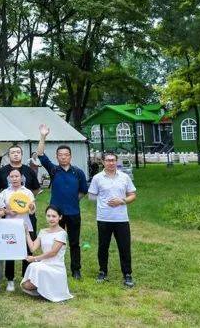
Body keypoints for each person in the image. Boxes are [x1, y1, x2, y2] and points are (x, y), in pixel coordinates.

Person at [37, 123, 88, 280]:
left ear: (70, 156)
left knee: (74, 243)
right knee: (54, 242)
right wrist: (43, 136)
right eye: (60, 155)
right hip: (56, 215)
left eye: (66, 155)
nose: (63, 157)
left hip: (73, 213)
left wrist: (72, 201)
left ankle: (76, 270)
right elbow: (40, 154)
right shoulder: (54, 170)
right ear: (57, 157)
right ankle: (54, 267)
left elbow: (83, 191)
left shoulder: (78, 172)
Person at [88, 151, 137, 288]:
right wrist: (103, 201)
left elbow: (132, 195)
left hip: (121, 218)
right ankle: (102, 272)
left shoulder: (124, 177)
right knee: (103, 247)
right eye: (108, 160)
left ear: (117, 161)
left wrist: (122, 201)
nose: (111, 163)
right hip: (104, 218)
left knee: (124, 247)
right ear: (103, 162)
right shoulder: (97, 178)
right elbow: (91, 196)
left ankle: (127, 274)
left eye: (113, 160)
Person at [0, 144, 40, 285]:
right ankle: (10, 279)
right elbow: (0, 209)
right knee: (10, 251)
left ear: (21, 178)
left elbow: (32, 209)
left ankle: (26, 277)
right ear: (9, 178)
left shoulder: (27, 192)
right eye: (12, 176)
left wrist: (31, 207)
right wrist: (7, 211)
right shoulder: (5, 193)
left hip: (26, 225)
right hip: (9, 225)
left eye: (17, 176)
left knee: (27, 251)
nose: (14, 179)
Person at [21, 205, 74, 302]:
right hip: (44, 264)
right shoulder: (43, 231)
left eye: (54, 216)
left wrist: (35, 258)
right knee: (26, 284)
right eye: (48, 216)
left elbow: (53, 253)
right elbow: (32, 248)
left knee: (35, 266)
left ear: (60, 217)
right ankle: (44, 289)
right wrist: (27, 233)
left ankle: (49, 289)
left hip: (56, 267)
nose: (51, 219)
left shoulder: (61, 233)